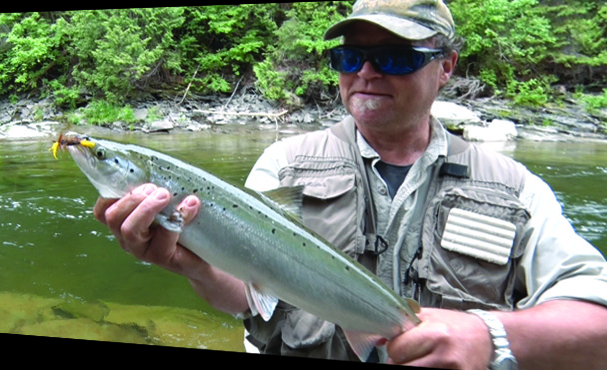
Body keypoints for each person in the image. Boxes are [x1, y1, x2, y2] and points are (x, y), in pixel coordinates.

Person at [92, 0, 607, 369]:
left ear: (446, 67)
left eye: (395, 57)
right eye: (348, 57)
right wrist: (188, 264)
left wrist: (491, 336)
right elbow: (251, 299)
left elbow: (597, 329)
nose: (365, 72)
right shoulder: (284, 166)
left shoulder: (516, 188)